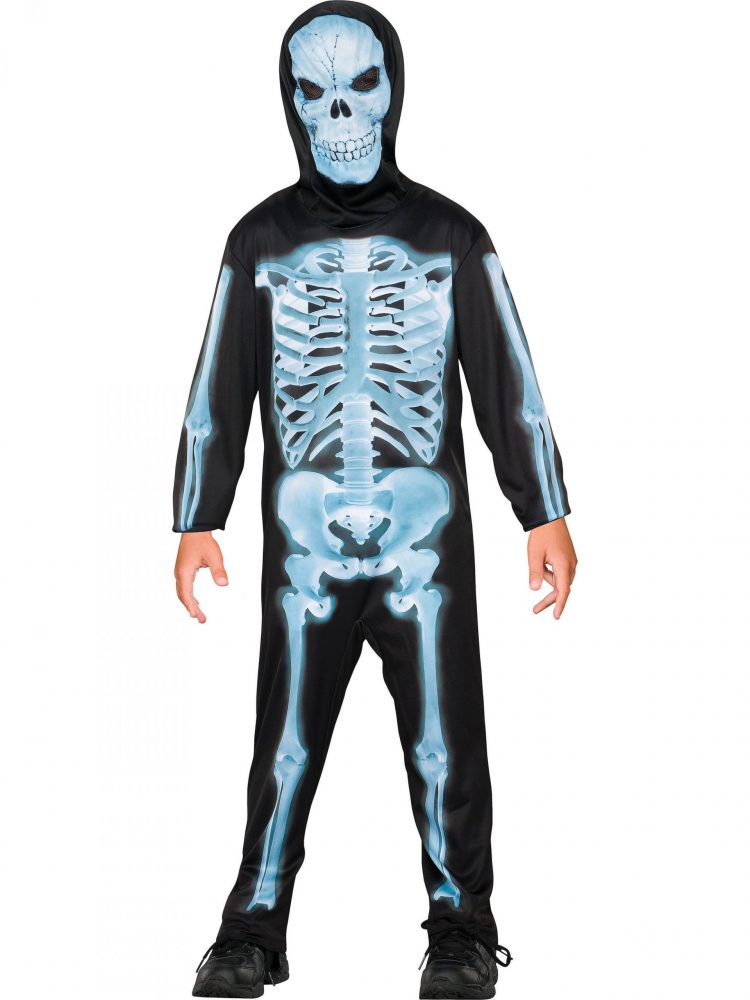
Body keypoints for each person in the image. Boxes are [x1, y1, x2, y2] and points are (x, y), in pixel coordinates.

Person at [172, 2, 578, 997]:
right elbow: (221, 379)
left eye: (361, 86)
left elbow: (506, 375)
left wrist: (544, 507)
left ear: (394, 91)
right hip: (304, 548)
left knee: (447, 744)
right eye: (316, 93)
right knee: (284, 746)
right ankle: (252, 927)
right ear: (291, 104)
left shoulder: (452, 235)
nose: (340, 114)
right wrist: (197, 515)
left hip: (423, 547)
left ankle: (463, 929)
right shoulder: (258, 240)